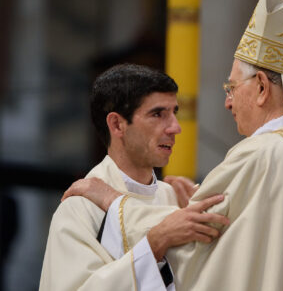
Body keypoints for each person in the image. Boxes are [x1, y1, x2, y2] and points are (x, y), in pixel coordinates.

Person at [65, 0, 283, 290]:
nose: (228, 102)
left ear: (262, 87)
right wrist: (201, 197)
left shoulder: (261, 155)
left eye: (232, 88)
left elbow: (190, 242)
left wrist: (114, 202)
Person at [39, 64, 229, 291]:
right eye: (158, 114)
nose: (175, 128)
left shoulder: (173, 198)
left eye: (174, 113)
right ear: (117, 124)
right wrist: (153, 246)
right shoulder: (80, 208)